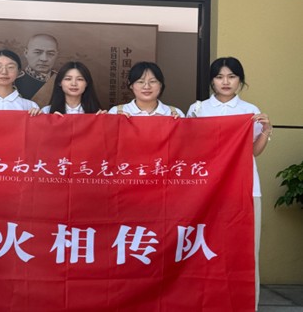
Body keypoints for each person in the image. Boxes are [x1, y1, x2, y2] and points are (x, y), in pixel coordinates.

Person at [186, 56, 272, 311]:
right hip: (206, 190)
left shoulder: (250, 110)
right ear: (211, 81)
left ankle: (245, 303)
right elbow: (189, 148)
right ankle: (203, 301)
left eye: (232, 76)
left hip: (245, 188)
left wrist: (266, 131)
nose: (225, 82)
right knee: (204, 246)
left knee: (244, 249)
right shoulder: (198, 110)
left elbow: (253, 152)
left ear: (240, 81)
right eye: (219, 76)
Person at [108, 61, 184, 117]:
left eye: (152, 81)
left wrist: (178, 123)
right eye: (140, 82)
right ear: (131, 85)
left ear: (160, 84)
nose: (147, 87)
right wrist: (117, 121)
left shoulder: (175, 113)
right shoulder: (116, 112)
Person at [41, 61, 106, 115]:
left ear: (87, 83)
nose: (74, 84)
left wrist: (104, 120)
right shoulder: (47, 112)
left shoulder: (97, 113)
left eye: (80, 79)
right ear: (60, 82)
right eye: (68, 79)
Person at [14, 34, 59, 107]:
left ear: (56, 55)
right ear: (26, 53)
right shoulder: (14, 81)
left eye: (50, 54)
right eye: (38, 52)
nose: (44, 59)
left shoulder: (61, 81)